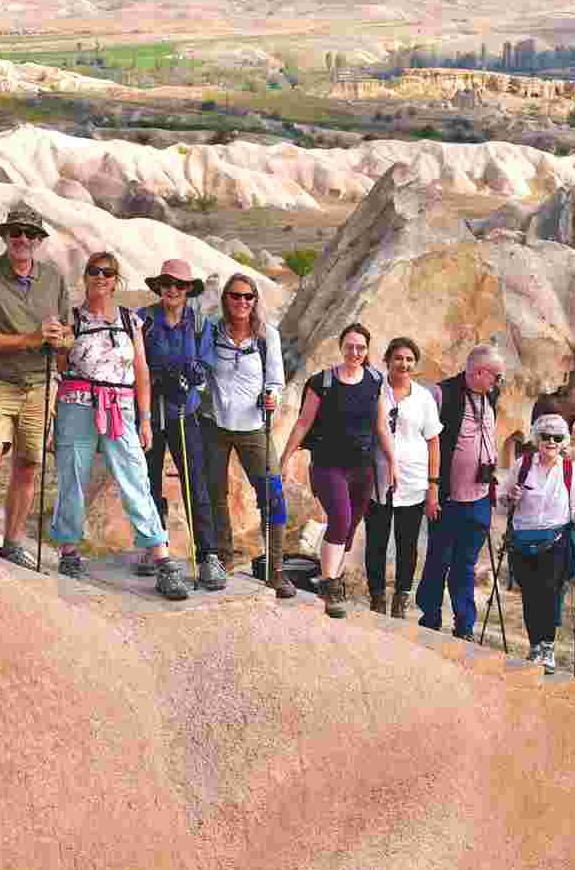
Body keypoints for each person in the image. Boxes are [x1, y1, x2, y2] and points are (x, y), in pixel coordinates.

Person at [47, 250, 187, 600]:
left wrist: (145, 419)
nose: (101, 277)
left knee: (136, 478)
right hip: (77, 403)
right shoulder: (73, 318)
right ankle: (68, 550)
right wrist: (58, 343)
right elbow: (61, 365)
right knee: (72, 476)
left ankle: (161, 556)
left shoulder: (129, 320)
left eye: (108, 273)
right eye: (94, 271)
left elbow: (140, 371)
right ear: (86, 276)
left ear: (116, 279)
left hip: (120, 407)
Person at [0, 201, 72, 566]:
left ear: (39, 241)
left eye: (30, 234)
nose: (23, 239)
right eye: (16, 232)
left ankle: (12, 543)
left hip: (41, 383)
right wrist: (31, 339)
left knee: (27, 465)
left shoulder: (53, 278)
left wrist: (60, 339)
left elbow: (68, 333)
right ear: (5, 236)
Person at [278, 323, 395, 619]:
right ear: (341, 347)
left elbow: (381, 426)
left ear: (367, 350)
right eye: (350, 346)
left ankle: (333, 577)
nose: (355, 352)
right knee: (340, 519)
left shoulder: (376, 381)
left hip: (362, 468)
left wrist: (393, 463)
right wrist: (285, 458)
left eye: (361, 347)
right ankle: (330, 588)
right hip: (328, 466)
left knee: (351, 526)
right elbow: (303, 422)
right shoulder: (323, 382)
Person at [196, 272, 288, 596]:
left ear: (255, 300)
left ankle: (276, 569)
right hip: (215, 425)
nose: (242, 302)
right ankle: (223, 559)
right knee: (215, 494)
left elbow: (276, 380)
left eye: (248, 297)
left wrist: (273, 396)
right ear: (225, 299)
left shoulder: (267, 337)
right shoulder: (211, 332)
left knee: (273, 495)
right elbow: (201, 369)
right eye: (235, 296)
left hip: (253, 426)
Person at [136, 258, 223, 590]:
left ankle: (207, 556)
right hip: (150, 411)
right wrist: (160, 378)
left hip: (185, 413)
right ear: (159, 286)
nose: (172, 290)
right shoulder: (143, 320)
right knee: (148, 480)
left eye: (179, 285)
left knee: (195, 482)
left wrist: (191, 375)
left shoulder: (201, 323)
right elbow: (134, 361)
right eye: (167, 283)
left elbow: (204, 365)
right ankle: (154, 550)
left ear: (189, 290)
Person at [414, 344, 505, 638]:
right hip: (448, 498)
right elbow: (424, 442)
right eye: (496, 376)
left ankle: (464, 625)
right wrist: (432, 489)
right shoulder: (442, 394)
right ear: (479, 372)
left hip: (479, 498)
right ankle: (429, 619)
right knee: (438, 560)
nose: (498, 382)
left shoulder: (490, 395)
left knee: (465, 565)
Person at [496, 413, 575, 670]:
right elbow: (502, 503)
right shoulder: (522, 464)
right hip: (523, 540)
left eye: (557, 437)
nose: (551, 442)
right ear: (537, 438)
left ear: (564, 441)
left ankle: (548, 648)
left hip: (555, 540)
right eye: (546, 436)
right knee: (530, 595)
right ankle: (535, 646)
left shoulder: (570, 469)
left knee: (550, 594)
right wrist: (510, 497)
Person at [363, 336, 440, 618]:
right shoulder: (375, 390)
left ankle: (401, 599)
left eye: (409, 359)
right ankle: (377, 598)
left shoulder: (423, 398)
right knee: (376, 542)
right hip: (378, 479)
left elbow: (433, 441)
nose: (404, 364)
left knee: (407, 545)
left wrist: (433, 485)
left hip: (413, 482)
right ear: (387, 360)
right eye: (398, 358)